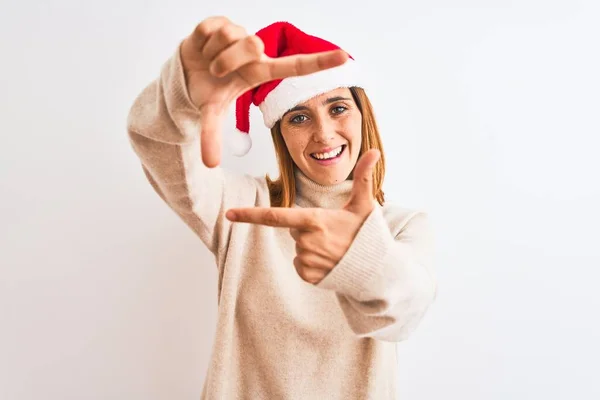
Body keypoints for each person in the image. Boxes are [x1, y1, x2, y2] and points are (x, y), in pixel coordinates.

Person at [126, 16, 437, 400]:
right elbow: (159, 147)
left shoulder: (403, 226)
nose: (323, 133)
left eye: (338, 108)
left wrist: (362, 258)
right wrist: (183, 95)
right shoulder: (241, 207)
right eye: (299, 118)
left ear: (363, 116)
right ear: (280, 136)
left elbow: (407, 307)